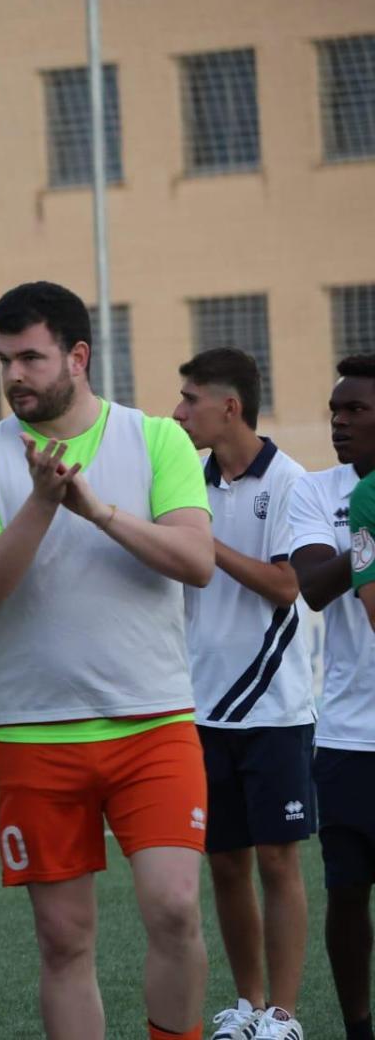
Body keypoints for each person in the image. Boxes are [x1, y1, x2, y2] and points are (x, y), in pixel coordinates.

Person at [0, 281, 213, 1040]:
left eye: (30, 356)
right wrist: (41, 502)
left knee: (175, 907)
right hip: (36, 733)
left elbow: (196, 561)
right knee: (64, 940)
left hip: (152, 723)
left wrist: (99, 511)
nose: (14, 374)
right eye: (4, 359)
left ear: (78, 356)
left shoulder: (155, 439)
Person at [174, 348, 313, 1040]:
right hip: (198, 707)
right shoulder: (184, 483)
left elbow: (289, 586)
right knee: (224, 861)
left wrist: (204, 544)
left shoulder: (291, 482)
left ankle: (285, 1016)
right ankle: (250, 1006)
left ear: (230, 406)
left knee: (276, 858)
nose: (178, 412)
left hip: (274, 708)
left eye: (190, 398)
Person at [292, 354, 375, 1040]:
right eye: (335, 411)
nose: (339, 423)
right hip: (349, 734)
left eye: (356, 411)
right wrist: (373, 535)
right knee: (348, 892)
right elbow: (315, 586)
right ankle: (357, 1028)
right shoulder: (317, 491)